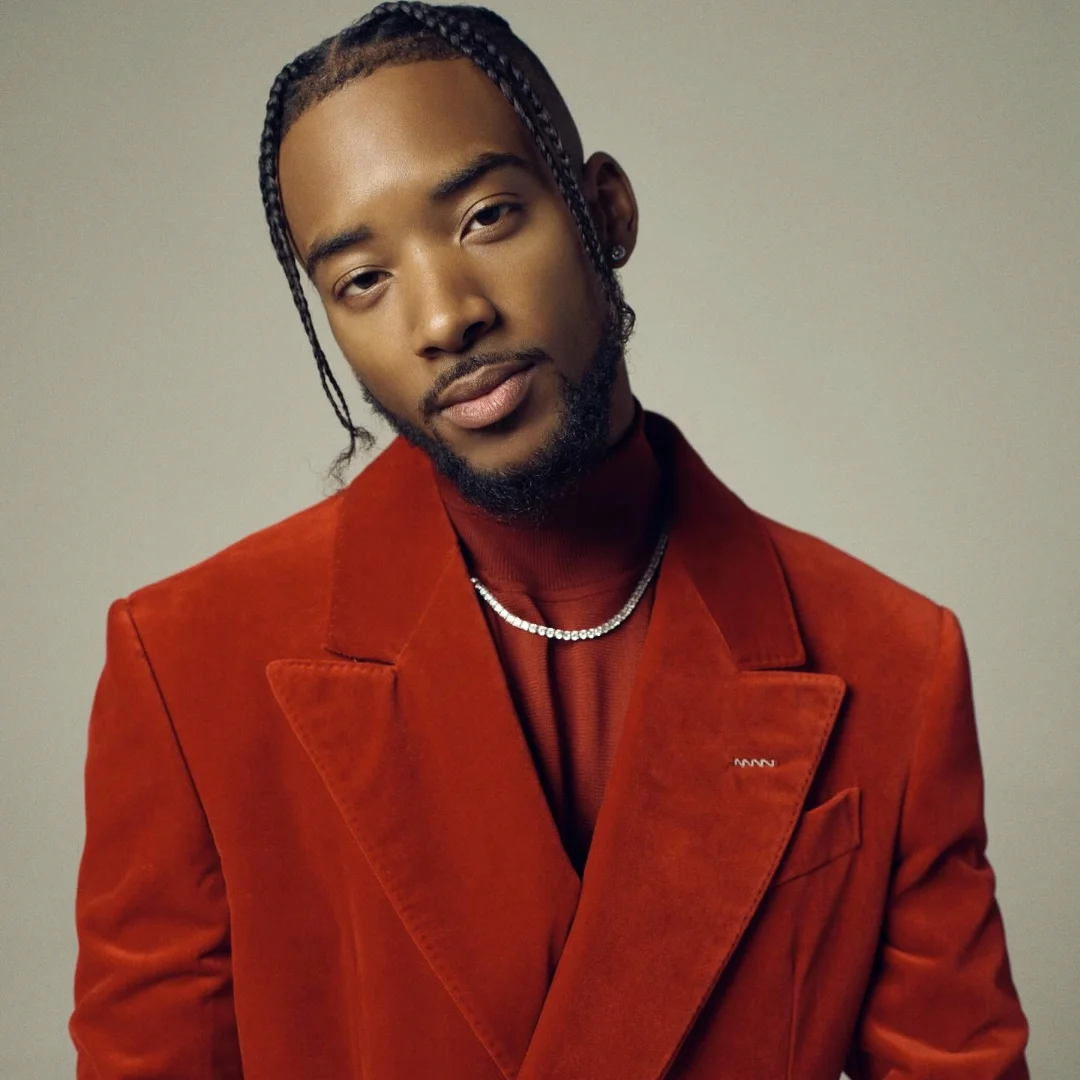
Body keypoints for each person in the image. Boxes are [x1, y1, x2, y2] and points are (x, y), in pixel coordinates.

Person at [69, 4, 1030, 1077]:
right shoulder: (190, 664)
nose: (444, 317)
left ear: (603, 210)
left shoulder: (891, 661)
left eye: (486, 217)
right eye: (362, 281)